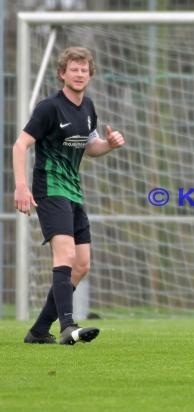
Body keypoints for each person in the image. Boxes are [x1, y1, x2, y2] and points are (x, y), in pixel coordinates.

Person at [13, 46, 125, 345]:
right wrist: (21, 186)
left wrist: (110, 145)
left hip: (74, 190)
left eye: (84, 69)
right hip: (50, 188)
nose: (79, 74)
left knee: (82, 264)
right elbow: (20, 145)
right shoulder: (49, 107)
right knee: (66, 255)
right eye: (73, 69)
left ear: (90, 74)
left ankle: (38, 330)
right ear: (62, 73)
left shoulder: (88, 108)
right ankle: (67, 326)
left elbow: (91, 146)